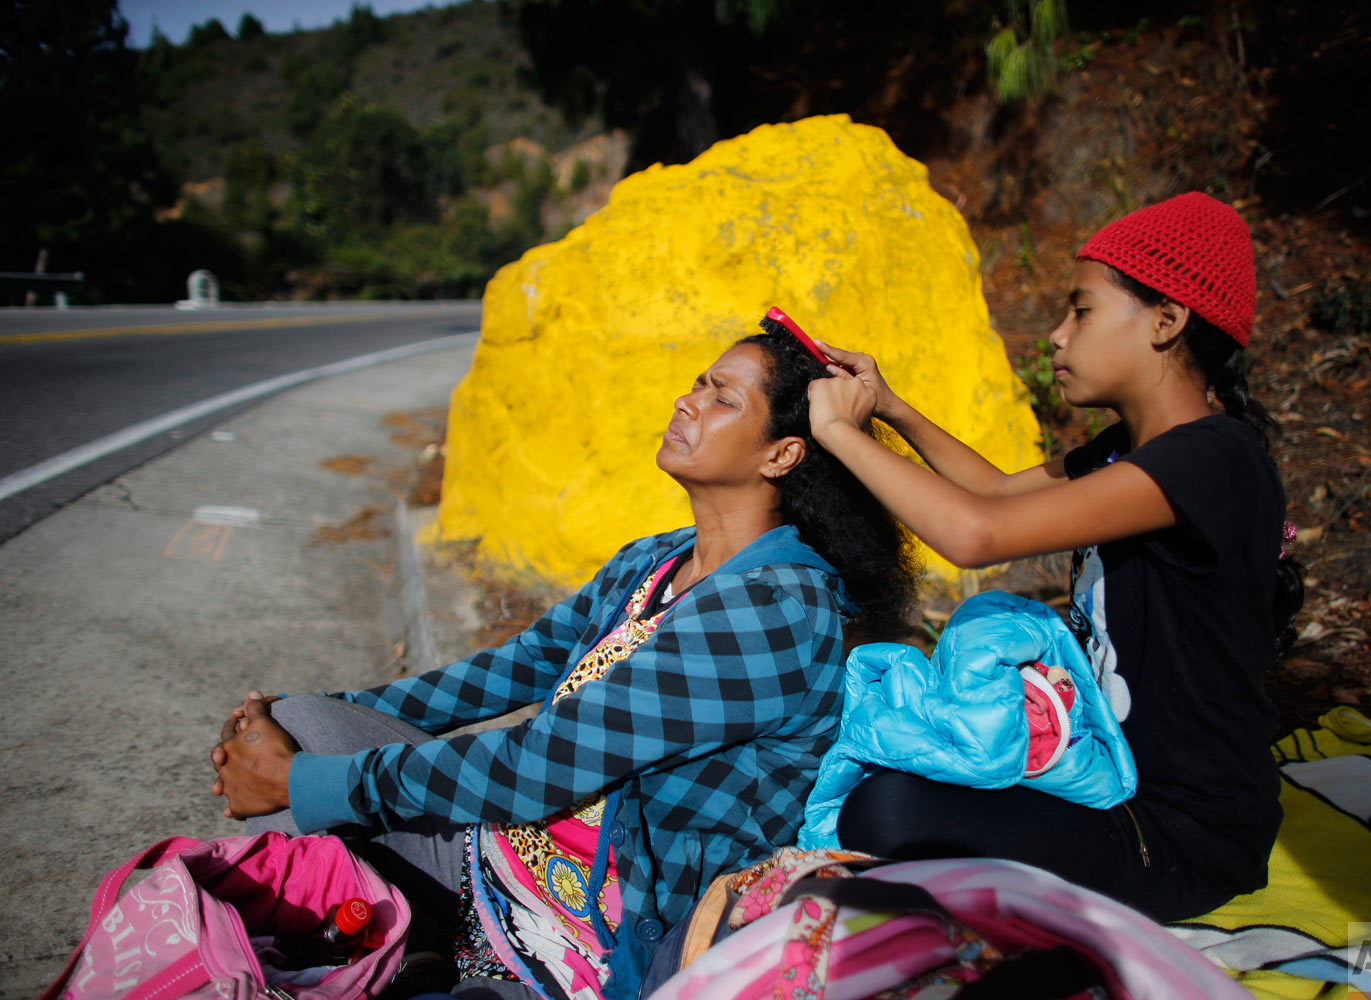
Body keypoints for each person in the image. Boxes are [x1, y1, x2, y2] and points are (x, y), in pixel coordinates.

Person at [210, 326, 916, 1000]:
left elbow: (541, 764)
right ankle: (396, 944)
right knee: (300, 728)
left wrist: (303, 781)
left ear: (782, 456)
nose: (687, 400)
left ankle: (421, 960)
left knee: (308, 784)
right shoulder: (659, 560)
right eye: (698, 383)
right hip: (490, 863)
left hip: (583, 940)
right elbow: (513, 668)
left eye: (723, 398)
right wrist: (291, 724)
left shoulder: (773, 611)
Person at [804, 192, 1304, 922]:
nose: (1057, 336)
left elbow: (975, 536)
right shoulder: (1132, 454)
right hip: (1100, 775)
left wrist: (839, 436)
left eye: (1083, 311)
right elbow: (996, 492)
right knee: (878, 756)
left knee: (884, 810)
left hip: (1176, 832)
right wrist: (890, 407)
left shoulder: (1214, 460)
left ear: (1167, 321)